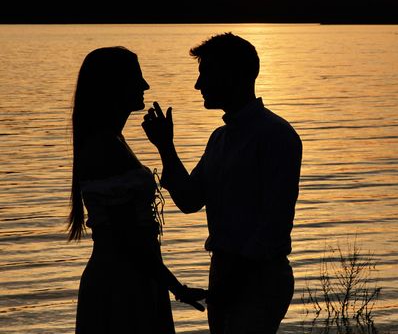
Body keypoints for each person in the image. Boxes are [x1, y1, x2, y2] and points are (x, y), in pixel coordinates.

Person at [142, 33, 303, 334]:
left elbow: (273, 226)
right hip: (225, 271)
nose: (198, 85)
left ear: (235, 75)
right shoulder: (220, 138)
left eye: (206, 73)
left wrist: (231, 281)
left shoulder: (277, 136)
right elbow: (190, 200)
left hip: (259, 278)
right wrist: (165, 146)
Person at [68, 46, 207, 334]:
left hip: (134, 276)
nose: (145, 85)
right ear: (113, 86)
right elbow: (126, 237)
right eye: (137, 78)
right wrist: (176, 286)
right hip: (121, 284)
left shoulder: (113, 141)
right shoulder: (106, 148)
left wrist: (165, 145)